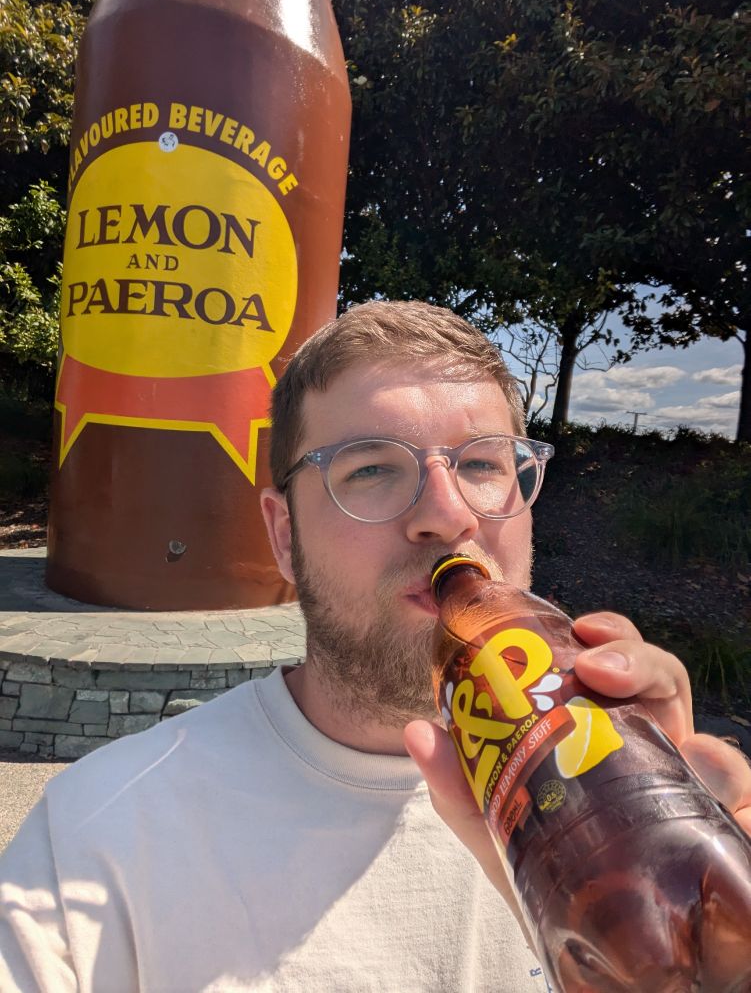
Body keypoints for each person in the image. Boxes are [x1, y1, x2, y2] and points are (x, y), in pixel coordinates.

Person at [1, 300, 749, 993]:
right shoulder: (95, 843)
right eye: (371, 470)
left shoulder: (626, 803)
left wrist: (665, 872)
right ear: (285, 536)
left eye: (483, 464)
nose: (446, 515)